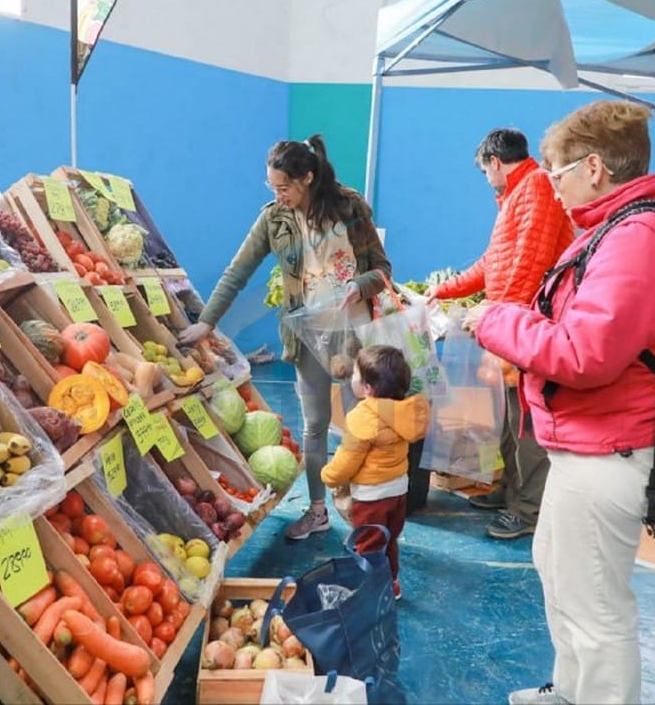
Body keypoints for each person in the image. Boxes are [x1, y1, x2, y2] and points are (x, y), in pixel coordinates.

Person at [465, 100, 655, 705]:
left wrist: (495, 320)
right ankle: (570, 693)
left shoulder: (639, 240)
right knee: (564, 580)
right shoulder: (620, 230)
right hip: (592, 446)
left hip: (611, 453)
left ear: (593, 168)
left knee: (597, 612)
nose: (552, 185)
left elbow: (583, 355)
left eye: (556, 172)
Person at [179, 135, 391, 540]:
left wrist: (357, 286)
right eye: (272, 187)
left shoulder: (350, 208)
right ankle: (317, 511)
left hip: (355, 338)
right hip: (305, 337)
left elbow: (382, 269)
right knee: (314, 427)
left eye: (284, 187)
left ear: (307, 178)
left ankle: (368, 515)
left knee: (363, 428)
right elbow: (236, 272)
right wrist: (206, 323)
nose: (278, 196)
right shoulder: (274, 219)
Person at [431, 127, 574, 539]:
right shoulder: (517, 195)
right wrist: (443, 290)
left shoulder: (535, 187)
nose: (486, 180)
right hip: (514, 324)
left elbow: (529, 264)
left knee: (526, 418)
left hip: (526, 329)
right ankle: (512, 489)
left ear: (495, 163)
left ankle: (527, 510)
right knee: (510, 416)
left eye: (484, 171)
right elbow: (492, 264)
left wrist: (495, 317)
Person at [320, 345, 429, 600]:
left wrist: (329, 475)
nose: (353, 378)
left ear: (368, 388)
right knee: (389, 541)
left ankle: (371, 593)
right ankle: (391, 584)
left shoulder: (363, 417)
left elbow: (348, 459)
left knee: (368, 546)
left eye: (356, 375)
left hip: (372, 498)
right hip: (399, 491)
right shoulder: (405, 410)